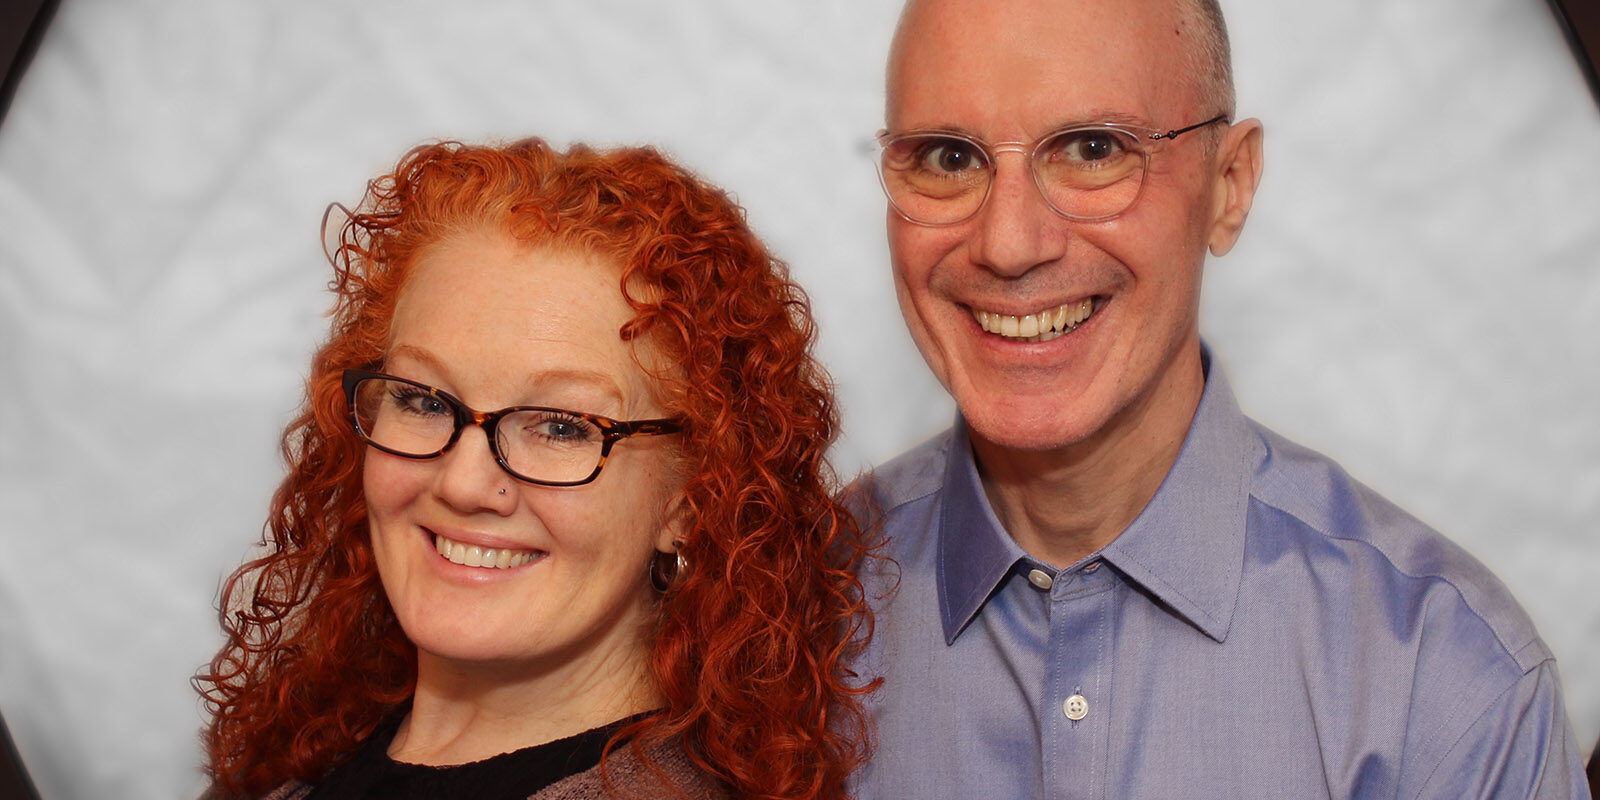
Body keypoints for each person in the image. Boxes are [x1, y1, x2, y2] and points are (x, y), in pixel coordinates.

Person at [851, 0, 1591, 797]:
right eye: (948, 159)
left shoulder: (1448, 684)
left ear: (1228, 186)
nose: (1009, 244)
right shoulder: (788, 614)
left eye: (1094, 149)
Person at [196, 139, 874, 800]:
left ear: (691, 499)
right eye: (423, 400)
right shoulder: (295, 771)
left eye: (560, 426)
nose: (462, 484)